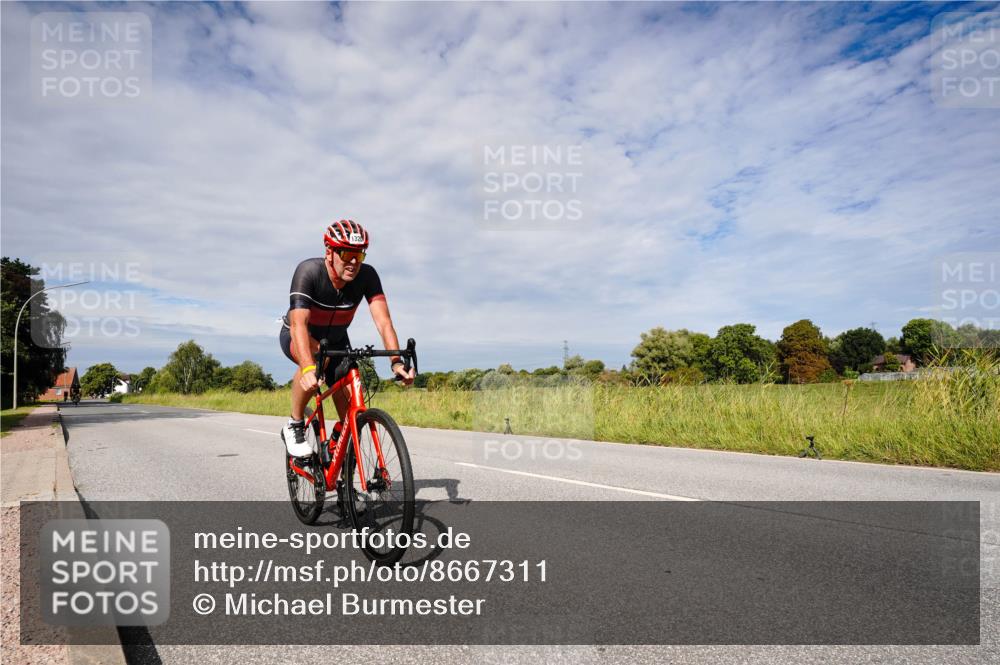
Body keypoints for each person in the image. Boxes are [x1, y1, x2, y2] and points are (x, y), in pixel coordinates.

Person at [279, 220, 414, 457]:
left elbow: (383, 322)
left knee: (353, 415)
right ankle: (295, 424)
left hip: (338, 343)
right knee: (317, 357)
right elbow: (299, 323)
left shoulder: (368, 275)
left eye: (359, 256)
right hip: (300, 336)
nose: (353, 262)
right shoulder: (308, 271)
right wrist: (309, 367)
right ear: (329, 252)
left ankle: (338, 459)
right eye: (346, 254)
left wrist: (396, 361)